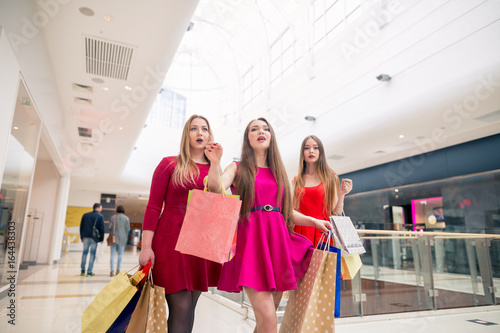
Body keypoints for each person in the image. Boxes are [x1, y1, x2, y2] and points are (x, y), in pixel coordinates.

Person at [205, 118, 332, 333]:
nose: (260, 131)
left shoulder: (279, 172)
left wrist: (313, 221)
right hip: (253, 246)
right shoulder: (237, 167)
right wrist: (215, 163)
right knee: (269, 319)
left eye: (265, 129)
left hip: (278, 245)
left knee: (266, 319)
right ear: (248, 137)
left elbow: (285, 211)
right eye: (254, 129)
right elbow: (216, 189)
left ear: (271, 137)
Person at [138, 114, 222, 333]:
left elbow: (217, 196)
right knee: (181, 307)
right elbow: (154, 206)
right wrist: (146, 246)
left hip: (200, 244)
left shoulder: (214, 169)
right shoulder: (169, 164)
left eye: (204, 129)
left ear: (210, 135)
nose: (200, 133)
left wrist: (216, 163)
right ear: (187, 135)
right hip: (171, 241)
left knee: (190, 308)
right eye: (194, 129)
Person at [293, 135, 353, 247]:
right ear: (302, 153)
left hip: (323, 232)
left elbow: (336, 213)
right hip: (301, 232)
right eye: (306, 148)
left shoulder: (330, 177)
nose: (311, 151)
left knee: (323, 264)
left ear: (321, 152)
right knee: (302, 264)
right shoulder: (297, 180)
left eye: (315, 148)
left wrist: (342, 194)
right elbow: (294, 211)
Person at [80, 203, 105, 277]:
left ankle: (82, 270)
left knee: (84, 253)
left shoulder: (85, 215)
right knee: (92, 254)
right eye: (101, 208)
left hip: (85, 237)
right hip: (94, 238)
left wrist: (81, 237)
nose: (101, 209)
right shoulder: (100, 216)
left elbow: (81, 226)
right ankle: (89, 271)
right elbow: (102, 228)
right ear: (98, 208)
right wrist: (102, 238)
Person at [109, 205, 131, 277]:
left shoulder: (113, 217)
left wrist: (112, 233)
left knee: (112, 255)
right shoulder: (126, 218)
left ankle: (112, 270)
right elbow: (128, 229)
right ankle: (118, 269)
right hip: (122, 238)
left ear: (117, 210)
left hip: (113, 237)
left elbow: (110, 227)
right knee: (120, 254)